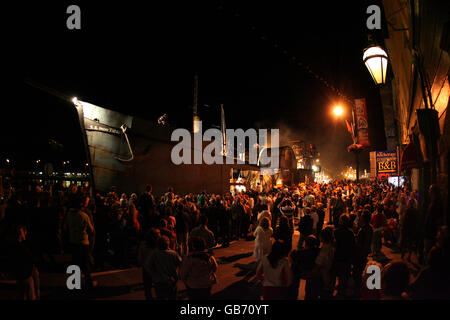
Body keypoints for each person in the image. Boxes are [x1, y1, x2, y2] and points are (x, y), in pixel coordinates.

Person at [63, 197, 96, 290]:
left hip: (73, 241)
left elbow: (65, 228)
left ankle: (75, 283)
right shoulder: (84, 215)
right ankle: (89, 283)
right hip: (83, 242)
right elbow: (91, 230)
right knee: (85, 264)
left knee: (75, 263)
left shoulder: (68, 215)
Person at [6, 225, 40, 300]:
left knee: (24, 294)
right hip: (25, 275)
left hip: (23, 275)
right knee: (30, 294)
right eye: (22, 232)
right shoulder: (20, 247)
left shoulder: (20, 245)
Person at [145, 235, 182, 300]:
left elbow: (148, 266)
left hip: (159, 281)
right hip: (171, 280)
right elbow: (180, 263)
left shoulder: (154, 254)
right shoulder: (173, 254)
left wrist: (153, 275)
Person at [289, 235, 320, 300]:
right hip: (311, 272)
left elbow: (292, 258)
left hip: (303, 271)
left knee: (294, 269)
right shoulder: (318, 251)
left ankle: (293, 294)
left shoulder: (300, 252)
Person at [333, 214, 356, 297]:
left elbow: (334, 245)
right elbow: (353, 245)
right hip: (347, 256)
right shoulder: (350, 233)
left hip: (338, 255)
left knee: (338, 273)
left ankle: (340, 291)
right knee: (344, 274)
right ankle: (342, 290)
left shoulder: (336, 232)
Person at [137, 228, 161, 300]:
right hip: (157, 268)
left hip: (146, 268)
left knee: (147, 288)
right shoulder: (159, 245)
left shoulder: (143, 244)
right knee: (158, 287)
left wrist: (140, 263)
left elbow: (140, 257)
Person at [313, 226, 335, 299]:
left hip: (324, 276)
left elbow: (319, 262)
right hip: (330, 274)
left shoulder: (325, 248)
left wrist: (313, 272)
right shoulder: (332, 246)